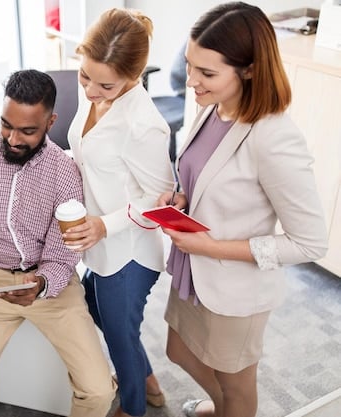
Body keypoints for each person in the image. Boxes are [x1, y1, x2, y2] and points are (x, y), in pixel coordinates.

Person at [155, 3, 328, 417]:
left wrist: (210, 247)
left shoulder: (273, 137)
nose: (191, 81)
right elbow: (208, 175)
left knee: (237, 389)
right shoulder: (212, 106)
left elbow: (309, 243)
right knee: (178, 351)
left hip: (233, 288)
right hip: (193, 271)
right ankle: (221, 406)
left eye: (207, 73)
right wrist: (182, 196)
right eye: (189, 65)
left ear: (249, 70)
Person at [0, 69, 117, 417]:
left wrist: (41, 284)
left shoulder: (65, 172)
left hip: (50, 282)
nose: (12, 138)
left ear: (50, 121)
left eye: (27, 131)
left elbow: (63, 251)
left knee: (98, 392)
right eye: (6, 124)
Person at [64, 8, 175, 417]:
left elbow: (160, 201)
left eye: (104, 84)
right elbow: (87, 152)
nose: (90, 90)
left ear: (133, 76)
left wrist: (104, 224)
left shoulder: (143, 125)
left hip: (129, 252)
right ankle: (148, 382)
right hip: (98, 243)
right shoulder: (95, 88)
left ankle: (133, 407)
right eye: (84, 76)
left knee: (119, 337)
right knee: (100, 314)